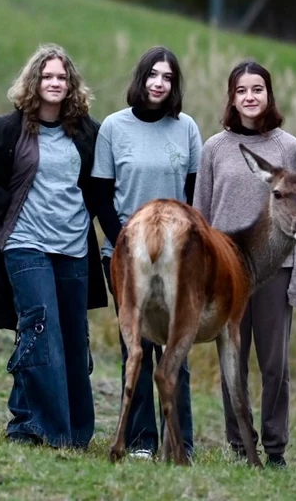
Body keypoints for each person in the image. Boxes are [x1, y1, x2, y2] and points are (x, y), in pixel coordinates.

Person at [0, 44, 107, 448]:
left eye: (62, 77)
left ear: (71, 84)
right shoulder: (11, 130)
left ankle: (74, 431)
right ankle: (33, 425)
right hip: (25, 243)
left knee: (71, 336)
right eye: (47, 76)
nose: (55, 83)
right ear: (35, 82)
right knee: (39, 327)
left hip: (74, 247)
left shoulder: (87, 133)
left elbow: (103, 184)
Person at [193, 60, 296, 469]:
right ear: (231, 98)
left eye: (257, 89)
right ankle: (240, 444)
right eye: (241, 90)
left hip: (275, 273)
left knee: (275, 365)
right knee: (232, 364)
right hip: (226, 274)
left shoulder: (288, 147)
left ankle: (275, 449)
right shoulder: (214, 148)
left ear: (268, 95)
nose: (250, 97)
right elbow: (200, 216)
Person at [91, 46, 202, 460]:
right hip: (125, 253)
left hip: (178, 258)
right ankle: (139, 441)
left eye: (167, 77)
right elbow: (101, 196)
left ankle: (179, 441)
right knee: (134, 346)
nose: (159, 83)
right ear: (141, 79)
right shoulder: (114, 129)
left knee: (177, 349)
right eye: (153, 75)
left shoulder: (186, 128)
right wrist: (126, 244)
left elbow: (194, 196)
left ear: (174, 85)